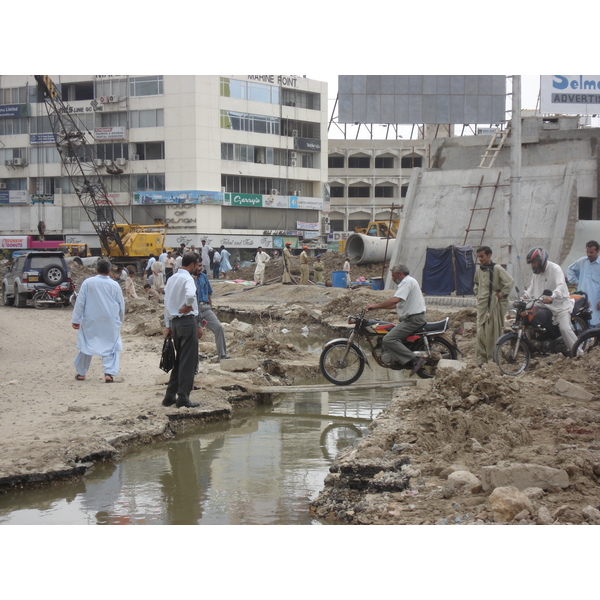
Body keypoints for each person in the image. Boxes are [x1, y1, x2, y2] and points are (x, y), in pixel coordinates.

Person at [365, 264, 427, 376]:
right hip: (411, 318)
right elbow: (396, 305)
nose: (392, 279)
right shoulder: (409, 282)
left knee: (388, 339)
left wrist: (376, 305)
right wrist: (377, 307)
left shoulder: (406, 282)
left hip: (413, 320)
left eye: (393, 276)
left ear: (400, 274)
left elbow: (395, 300)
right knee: (389, 334)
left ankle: (415, 360)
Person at [71, 259, 125, 383]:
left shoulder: (88, 283)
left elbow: (80, 302)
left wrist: (76, 319)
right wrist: (120, 320)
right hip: (110, 320)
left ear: (96, 269)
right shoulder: (114, 285)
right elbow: (121, 305)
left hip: (90, 319)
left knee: (86, 345)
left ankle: (81, 373)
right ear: (110, 270)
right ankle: (109, 373)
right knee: (111, 346)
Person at [162, 252, 203, 409]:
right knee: (188, 362)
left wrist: (168, 325)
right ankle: (183, 397)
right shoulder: (188, 279)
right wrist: (187, 306)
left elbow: (166, 303)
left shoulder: (172, 279)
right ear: (192, 264)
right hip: (186, 322)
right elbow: (191, 295)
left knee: (179, 361)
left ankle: (170, 396)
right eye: (196, 265)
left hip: (175, 323)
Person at [523, 247, 577, 351]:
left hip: (559, 306)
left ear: (541, 260)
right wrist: (525, 296)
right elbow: (532, 287)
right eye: (531, 263)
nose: (533, 265)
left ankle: (578, 352)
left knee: (564, 329)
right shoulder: (536, 273)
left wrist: (552, 296)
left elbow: (560, 286)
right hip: (542, 305)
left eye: (534, 262)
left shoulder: (555, 269)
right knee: (527, 318)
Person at [473, 246, 514, 366]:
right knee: (481, 333)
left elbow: (509, 282)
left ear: (489, 255)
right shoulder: (480, 270)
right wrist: (478, 293)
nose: (480, 259)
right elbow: (476, 283)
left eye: (482, 256)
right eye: (478, 256)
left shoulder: (496, 268)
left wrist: (500, 295)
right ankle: (481, 360)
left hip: (494, 305)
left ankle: (492, 361)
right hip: (482, 305)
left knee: (492, 333)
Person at [195, 258, 229, 360]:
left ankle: (222, 355)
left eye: (201, 266)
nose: (200, 268)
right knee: (194, 333)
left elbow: (209, 293)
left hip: (205, 308)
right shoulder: (189, 279)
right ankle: (193, 356)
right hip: (194, 310)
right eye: (198, 266)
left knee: (218, 328)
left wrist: (210, 306)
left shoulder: (204, 277)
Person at [567, 240, 600, 327]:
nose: (589, 254)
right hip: (582, 297)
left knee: (594, 322)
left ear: (597, 251)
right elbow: (570, 269)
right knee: (580, 321)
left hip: (595, 299)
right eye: (587, 252)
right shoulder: (582, 261)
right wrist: (577, 282)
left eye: (591, 252)